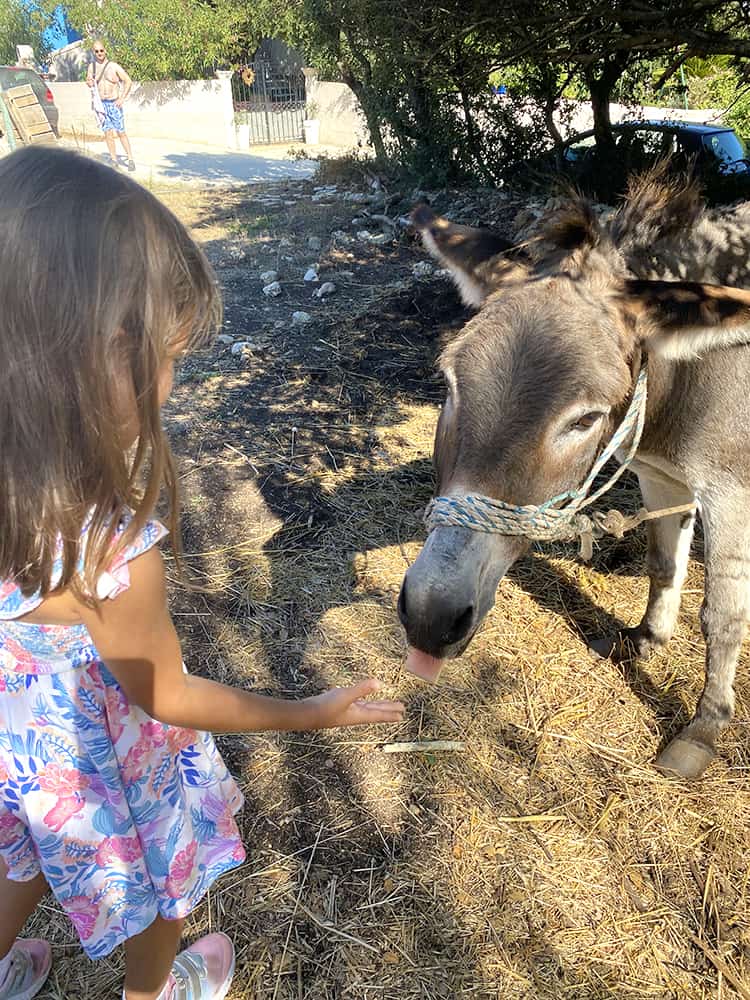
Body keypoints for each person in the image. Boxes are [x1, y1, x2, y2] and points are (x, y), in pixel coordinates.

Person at [0, 146, 405, 1000]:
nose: (172, 384)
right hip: (108, 766)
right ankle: (153, 993)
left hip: (22, 759)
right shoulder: (110, 546)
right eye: (164, 357)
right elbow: (167, 695)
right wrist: (310, 712)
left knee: (26, 848)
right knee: (162, 886)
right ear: (85, 353)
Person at [86, 40, 136, 171]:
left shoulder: (113, 66)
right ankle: (114, 160)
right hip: (101, 105)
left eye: (101, 50)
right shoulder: (92, 67)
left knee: (121, 132)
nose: (99, 53)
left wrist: (122, 98)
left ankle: (130, 159)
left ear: (105, 51)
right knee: (108, 133)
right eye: (96, 51)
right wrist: (90, 83)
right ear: (94, 52)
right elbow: (89, 81)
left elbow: (128, 81)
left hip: (114, 103)